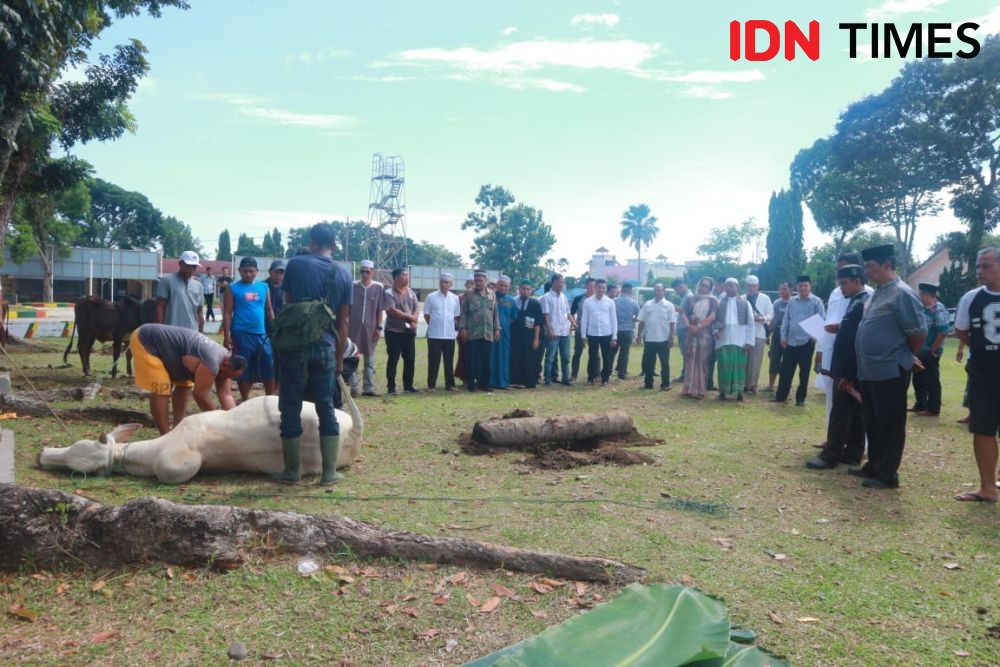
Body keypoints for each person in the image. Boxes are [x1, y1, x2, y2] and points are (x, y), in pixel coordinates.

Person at [273, 222, 353, 485]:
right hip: (326, 346)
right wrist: (340, 358)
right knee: (326, 407)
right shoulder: (343, 274)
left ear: (313, 242)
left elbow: (288, 306)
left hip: (294, 346)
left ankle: (291, 472)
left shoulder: (296, 264)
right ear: (333, 245)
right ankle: (329, 472)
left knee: (290, 407)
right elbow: (343, 322)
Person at [852, 244, 926, 490]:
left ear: (886, 265)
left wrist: (902, 354)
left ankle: (887, 474)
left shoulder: (902, 293)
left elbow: (918, 332)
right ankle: (874, 464)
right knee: (872, 420)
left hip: (890, 370)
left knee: (890, 423)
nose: (866, 271)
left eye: (870, 266)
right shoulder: (876, 293)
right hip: (869, 370)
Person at [807, 265, 870, 470]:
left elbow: (855, 340)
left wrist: (847, 373)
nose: (841, 288)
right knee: (855, 413)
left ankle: (831, 454)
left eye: (844, 283)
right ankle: (853, 453)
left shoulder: (861, 303)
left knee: (840, 412)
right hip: (849, 365)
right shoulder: (854, 303)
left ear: (857, 281)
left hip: (849, 367)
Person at [130, 323, 244, 435]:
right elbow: (200, 395)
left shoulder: (228, 361)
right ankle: (165, 436)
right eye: (227, 376)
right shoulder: (212, 362)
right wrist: (219, 421)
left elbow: (226, 394)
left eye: (231, 378)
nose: (226, 379)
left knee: (184, 387)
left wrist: (233, 422)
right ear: (225, 364)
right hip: (146, 340)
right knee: (162, 389)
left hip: (174, 352)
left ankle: (177, 429)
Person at [952, 247, 1000, 502]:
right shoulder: (971, 298)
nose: (980, 271)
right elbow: (961, 330)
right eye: (979, 266)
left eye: (987, 266)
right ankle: (987, 487)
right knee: (983, 429)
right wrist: (983, 349)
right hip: (983, 374)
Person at [815, 254, 871, 440]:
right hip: (833, 351)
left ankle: (853, 445)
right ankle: (833, 438)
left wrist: (840, 327)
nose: (839, 274)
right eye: (837, 269)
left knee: (853, 404)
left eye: (843, 270)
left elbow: (860, 327)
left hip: (852, 357)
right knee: (833, 399)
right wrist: (821, 351)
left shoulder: (868, 295)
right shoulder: (836, 293)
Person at [223, 257, 276, 401]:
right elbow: (227, 312)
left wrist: (276, 327)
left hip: (261, 334)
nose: (248, 274)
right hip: (241, 334)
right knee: (243, 367)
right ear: (239, 271)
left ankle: (270, 398)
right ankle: (245, 398)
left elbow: (269, 310)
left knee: (268, 363)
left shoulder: (264, 287)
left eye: (251, 271)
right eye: (245, 271)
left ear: (257, 272)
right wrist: (227, 336)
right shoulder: (232, 288)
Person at [774, 275, 825, 406]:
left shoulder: (816, 301)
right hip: (790, 342)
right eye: (800, 285)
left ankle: (800, 398)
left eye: (805, 285)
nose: (803, 288)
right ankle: (781, 396)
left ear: (810, 286)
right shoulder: (792, 301)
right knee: (785, 370)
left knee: (804, 373)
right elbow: (786, 320)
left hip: (807, 342)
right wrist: (783, 337)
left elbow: (821, 322)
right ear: (797, 287)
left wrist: (814, 338)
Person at [349, 259, 391, 398]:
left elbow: (380, 309)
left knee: (370, 359)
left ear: (372, 272)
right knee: (352, 357)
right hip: (353, 328)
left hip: (371, 328)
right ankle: (354, 388)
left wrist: (379, 327)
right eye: (362, 272)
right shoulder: (353, 286)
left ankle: (368, 387)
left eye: (367, 272)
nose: (365, 275)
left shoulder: (378, 287)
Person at [910, 283, 951, 417]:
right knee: (918, 378)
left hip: (931, 351)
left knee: (931, 380)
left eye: (921, 294)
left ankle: (933, 408)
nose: (919, 296)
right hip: (920, 351)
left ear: (927, 295)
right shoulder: (922, 308)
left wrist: (932, 350)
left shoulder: (938, 309)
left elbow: (942, 332)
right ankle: (920, 404)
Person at [713, 278, 755, 401]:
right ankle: (723, 392)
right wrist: (715, 331)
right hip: (723, 340)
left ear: (737, 288)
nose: (728, 287)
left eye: (731, 285)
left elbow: (751, 323)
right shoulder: (719, 303)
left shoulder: (745, 303)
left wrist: (750, 341)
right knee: (723, 366)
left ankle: (739, 393)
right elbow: (714, 321)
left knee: (739, 367)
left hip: (740, 340)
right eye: (726, 285)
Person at [459, 269, 500, 393]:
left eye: (480, 281)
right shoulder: (468, 294)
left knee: (486, 361)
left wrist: (497, 328)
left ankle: (485, 384)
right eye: (476, 281)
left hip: (487, 333)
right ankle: (471, 384)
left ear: (485, 281)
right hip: (473, 333)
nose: (478, 283)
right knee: (472, 360)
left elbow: (495, 313)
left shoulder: (492, 294)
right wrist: (463, 328)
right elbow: (464, 313)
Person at [384, 267, 420, 396]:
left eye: (407, 275)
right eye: (404, 275)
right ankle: (391, 387)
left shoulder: (410, 292)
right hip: (394, 331)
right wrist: (410, 318)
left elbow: (416, 307)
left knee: (410, 358)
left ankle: (408, 385)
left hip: (409, 331)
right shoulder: (389, 293)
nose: (407, 277)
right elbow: (391, 310)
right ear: (396, 278)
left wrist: (414, 320)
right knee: (393, 359)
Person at [681, 277, 718, 400]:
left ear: (710, 288)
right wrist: (688, 326)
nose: (703, 287)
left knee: (702, 361)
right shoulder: (691, 299)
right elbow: (684, 313)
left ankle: (700, 390)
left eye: (706, 286)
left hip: (705, 334)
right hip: (690, 332)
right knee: (690, 359)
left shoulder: (712, 300)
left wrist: (699, 326)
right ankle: (688, 389)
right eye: (702, 284)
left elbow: (712, 317)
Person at [424, 272, 460, 393]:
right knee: (433, 361)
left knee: (449, 361)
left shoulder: (455, 298)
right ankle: (431, 385)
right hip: (435, 334)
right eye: (442, 282)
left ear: (451, 284)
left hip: (449, 335)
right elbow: (427, 315)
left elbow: (456, 316)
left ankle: (450, 385)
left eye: (446, 282)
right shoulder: (431, 297)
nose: (444, 284)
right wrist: (435, 324)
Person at [636, 283, 676, 391]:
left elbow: (672, 323)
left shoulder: (669, 305)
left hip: (664, 339)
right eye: (655, 290)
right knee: (649, 363)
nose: (657, 292)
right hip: (649, 338)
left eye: (659, 290)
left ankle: (665, 384)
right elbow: (642, 321)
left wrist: (671, 337)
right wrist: (639, 334)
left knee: (665, 363)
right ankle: (648, 384)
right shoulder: (647, 304)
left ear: (664, 291)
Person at [579, 279, 618, 386]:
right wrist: (583, 335)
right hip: (592, 334)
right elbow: (584, 319)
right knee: (592, 357)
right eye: (599, 287)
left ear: (605, 289)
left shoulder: (610, 302)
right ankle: (591, 378)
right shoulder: (588, 302)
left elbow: (613, 320)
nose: (601, 290)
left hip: (606, 333)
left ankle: (605, 379)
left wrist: (614, 337)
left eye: (603, 288)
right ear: (595, 288)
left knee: (607, 357)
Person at [156, 250, 205, 332]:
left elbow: (199, 311)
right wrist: (159, 330)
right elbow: (160, 307)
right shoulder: (167, 281)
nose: (192, 269)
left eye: (194, 266)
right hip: (171, 332)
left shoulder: (198, 286)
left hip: (192, 332)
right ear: (180, 264)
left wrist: (201, 332)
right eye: (189, 266)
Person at [510, 279, 544, 388]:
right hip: (516, 337)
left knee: (529, 359)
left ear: (531, 291)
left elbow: (538, 323)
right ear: (519, 289)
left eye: (528, 289)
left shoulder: (535, 304)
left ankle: (529, 381)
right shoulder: (514, 302)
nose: (525, 291)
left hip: (530, 337)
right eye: (523, 289)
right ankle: (516, 381)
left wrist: (536, 339)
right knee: (516, 358)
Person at [541, 273, 573, 387]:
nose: (562, 284)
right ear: (554, 282)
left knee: (566, 357)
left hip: (564, 331)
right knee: (550, 357)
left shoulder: (564, 297)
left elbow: (568, 313)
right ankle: (548, 379)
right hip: (553, 331)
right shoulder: (546, 297)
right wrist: (549, 330)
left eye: (563, 282)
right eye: (561, 282)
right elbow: (546, 316)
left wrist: (573, 323)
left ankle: (565, 379)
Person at [742, 275, 772, 394]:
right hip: (744, 333)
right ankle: (742, 384)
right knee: (744, 360)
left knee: (755, 361)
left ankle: (752, 385)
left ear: (757, 286)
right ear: (746, 286)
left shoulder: (765, 298)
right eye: (749, 286)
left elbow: (771, 314)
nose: (751, 288)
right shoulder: (742, 298)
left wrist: (763, 318)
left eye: (753, 286)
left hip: (759, 332)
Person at [490, 275, 517, 390]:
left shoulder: (511, 300)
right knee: (491, 356)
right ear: (497, 285)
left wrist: (504, 324)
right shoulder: (490, 298)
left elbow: (513, 317)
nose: (503, 287)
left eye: (505, 286)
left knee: (503, 357)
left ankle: (503, 382)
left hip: (505, 333)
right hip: (489, 332)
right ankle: (490, 382)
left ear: (508, 287)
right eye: (501, 285)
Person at [765, 282, 792, 392]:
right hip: (776, 334)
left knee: (788, 362)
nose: (782, 291)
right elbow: (773, 319)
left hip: (789, 336)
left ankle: (784, 386)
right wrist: (768, 334)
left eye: (784, 289)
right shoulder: (776, 303)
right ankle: (771, 386)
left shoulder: (794, 302)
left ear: (790, 289)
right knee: (774, 360)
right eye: (780, 289)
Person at [610, 282, 640, 379]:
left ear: (622, 289)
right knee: (624, 352)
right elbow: (638, 316)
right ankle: (621, 373)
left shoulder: (613, 301)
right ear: (630, 291)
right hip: (627, 329)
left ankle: (608, 371)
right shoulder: (634, 303)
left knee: (611, 352)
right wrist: (631, 319)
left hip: (615, 329)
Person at [570, 278, 596, 381]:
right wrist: (574, 323)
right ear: (586, 286)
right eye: (590, 286)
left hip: (594, 329)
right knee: (577, 352)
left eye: (594, 286)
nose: (592, 288)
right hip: (580, 328)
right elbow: (571, 313)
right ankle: (573, 374)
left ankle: (595, 374)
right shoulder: (579, 298)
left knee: (595, 353)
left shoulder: (598, 299)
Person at [454, 276, 475, 385]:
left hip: (476, 332)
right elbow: (456, 315)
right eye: (469, 283)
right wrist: (461, 328)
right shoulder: (459, 298)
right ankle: (464, 378)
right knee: (463, 355)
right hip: (463, 331)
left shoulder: (479, 297)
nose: (471, 285)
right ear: (465, 285)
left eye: (473, 283)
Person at [672, 279, 690, 383]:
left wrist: (673, 306)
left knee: (686, 353)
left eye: (677, 290)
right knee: (684, 353)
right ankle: (685, 374)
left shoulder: (689, 297)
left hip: (685, 328)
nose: (677, 292)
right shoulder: (685, 297)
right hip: (682, 327)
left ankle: (685, 375)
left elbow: (684, 311)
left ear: (681, 287)